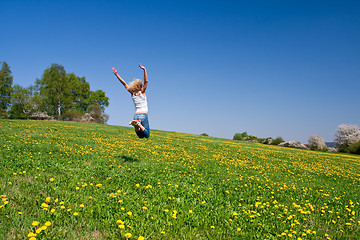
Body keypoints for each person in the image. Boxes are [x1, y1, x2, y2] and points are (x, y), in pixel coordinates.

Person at [112, 64, 150, 138]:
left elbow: (124, 84)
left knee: (141, 136)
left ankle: (136, 126)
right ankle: (138, 125)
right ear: (140, 86)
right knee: (147, 135)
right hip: (143, 115)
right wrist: (144, 69)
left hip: (136, 116)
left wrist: (117, 75)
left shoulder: (132, 93)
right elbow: (146, 81)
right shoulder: (142, 92)